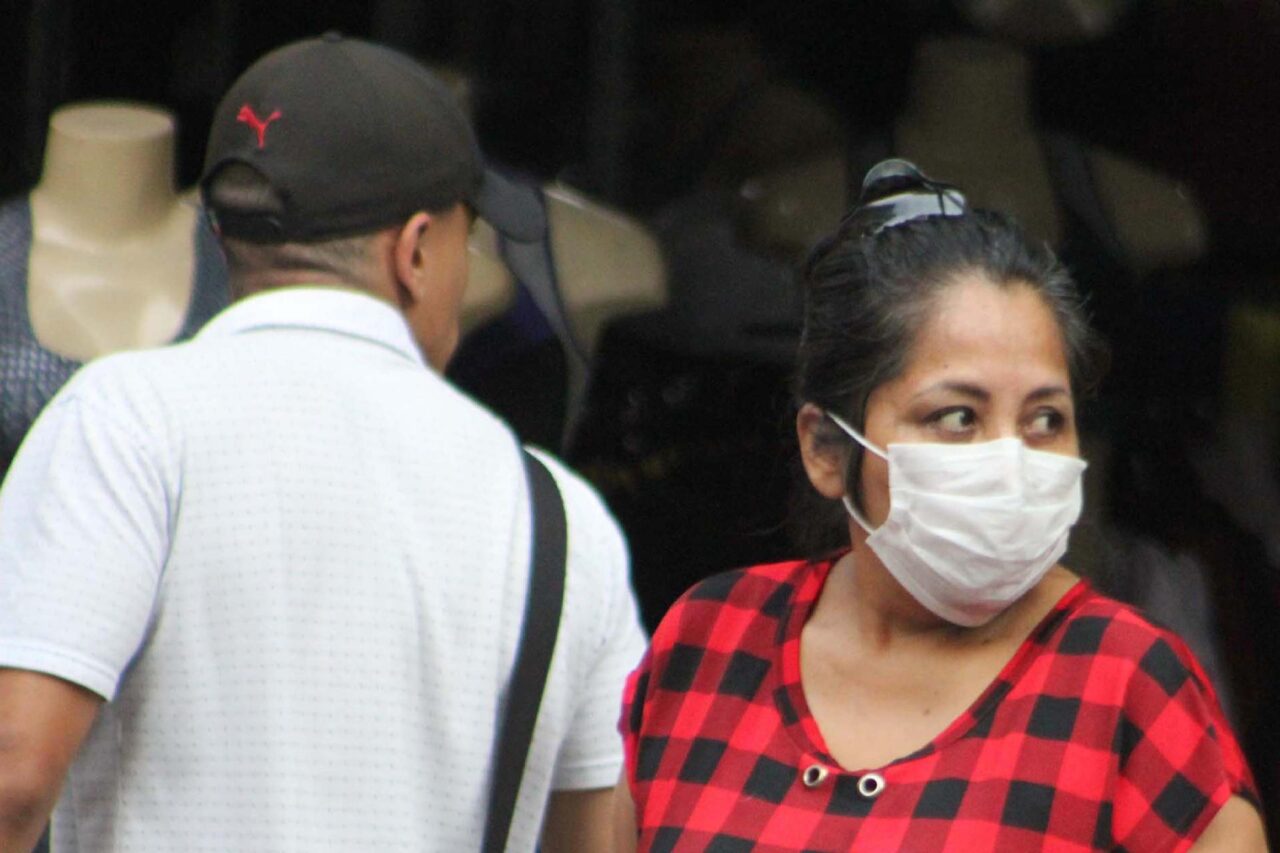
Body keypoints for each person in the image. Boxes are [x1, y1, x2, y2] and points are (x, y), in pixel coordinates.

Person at [0, 34, 645, 852]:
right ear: (414, 252)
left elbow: (13, 775)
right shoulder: (557, 512)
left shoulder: (126, 423)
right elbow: (597, 839)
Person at [615, 160, 1265, 851]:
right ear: (827, 450)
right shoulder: (708, 640)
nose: (1010, 459)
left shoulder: (1128, 684)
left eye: (1045, 418)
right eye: (957, 416)